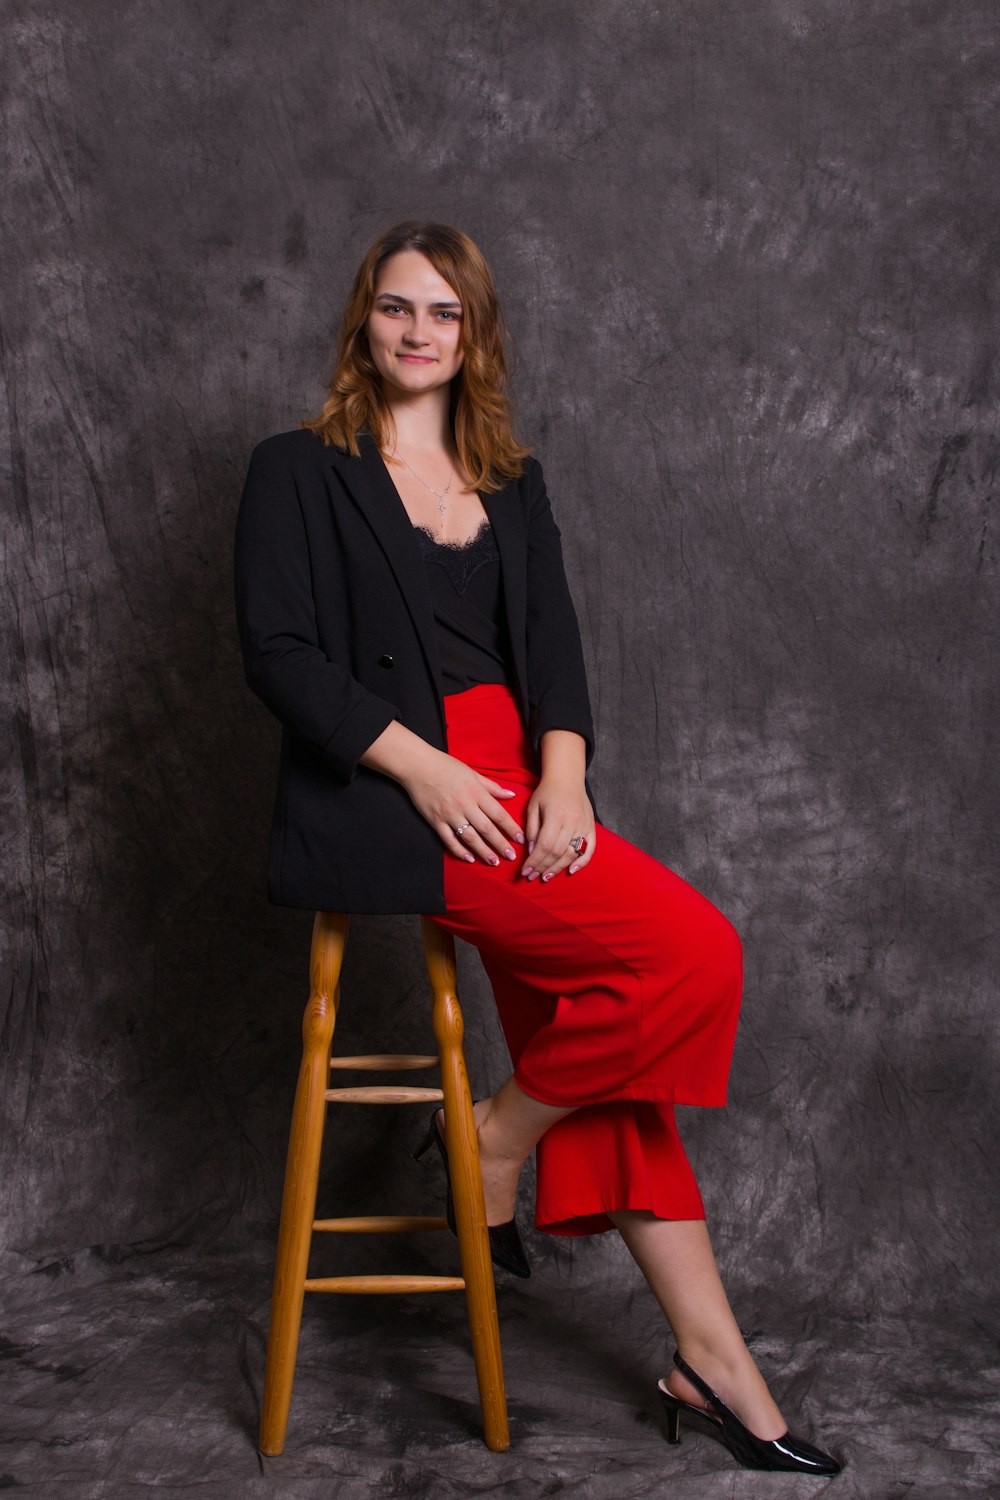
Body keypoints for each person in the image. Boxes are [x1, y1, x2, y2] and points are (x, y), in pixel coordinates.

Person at [233, 221, 841, 1476]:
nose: (417, 332)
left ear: (474, 334)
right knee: (694, 959)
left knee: (622, 1074)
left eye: (443, 314)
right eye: (396, 308)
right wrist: (428, 769)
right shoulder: (298, 468)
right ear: (364, 321)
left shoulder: (511, 475)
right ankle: (494, 1146)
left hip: (530, 793)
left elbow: (552, 642)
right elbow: (280, 656)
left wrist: (567, 777)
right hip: (417, 795)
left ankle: (707, 1362)